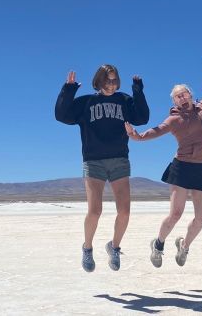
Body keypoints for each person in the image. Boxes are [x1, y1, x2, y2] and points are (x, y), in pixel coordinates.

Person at [125, 58, 202, 267]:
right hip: (182, 169)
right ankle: (158, 244)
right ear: (174, 102)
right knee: (176, 213)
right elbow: (157, 130)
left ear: (190, 95)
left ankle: (184, 246)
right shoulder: (174, 120)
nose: (182, 98)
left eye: (184, 94)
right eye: (177, 97)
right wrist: (137, 136)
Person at [55, 64, 149, 272]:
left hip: (119, 160)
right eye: (107, 80)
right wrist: (68, 89)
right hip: (94, 161)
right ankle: (87, 248)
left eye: (115, 80)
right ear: (98, 81)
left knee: (124, 212)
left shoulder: (124, 100)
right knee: (95, 211)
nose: (111, 84)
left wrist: (138, 90)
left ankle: (114, 247)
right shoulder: (87, 103)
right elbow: (62, 115)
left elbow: (142, 118)